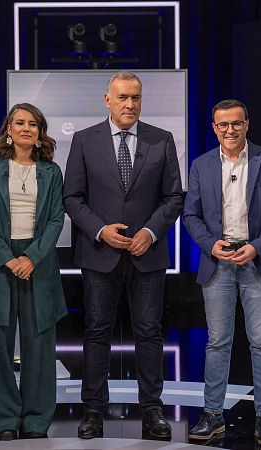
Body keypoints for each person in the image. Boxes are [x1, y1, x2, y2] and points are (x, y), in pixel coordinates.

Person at [63, 71, 184, 439]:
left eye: (136, 97)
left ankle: (152, 410)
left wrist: (150, 232)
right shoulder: (84, 140)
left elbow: (173, 198)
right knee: (97, 332)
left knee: (149, 332)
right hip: (100, 253)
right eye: (123, 97)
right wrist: (101, 230)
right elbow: (72, 198)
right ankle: (93, 411)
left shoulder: (161, 140)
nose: (130, 104)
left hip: (148, 254)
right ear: (107, 100)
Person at [182, 99, 261, 446]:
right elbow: (191, 215)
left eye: (236, 123)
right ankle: (213, 414)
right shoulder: (201, 165)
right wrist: (210, 244)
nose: (230, 130)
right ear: (214, 128)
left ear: (247, 124)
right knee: (217, 342)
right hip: (218, 261)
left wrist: (257, 246)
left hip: (257, 260)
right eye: (223, 125)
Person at [0, 103, 67, 441]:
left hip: (38, 263)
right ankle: (3, 420)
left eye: (33, 124)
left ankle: (36, 420)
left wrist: (31, 257)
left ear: (40, 133)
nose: (25, 128)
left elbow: (56, 219)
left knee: (40, 345)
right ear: (8, 129)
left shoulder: (51, 171)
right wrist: (8, 259)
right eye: (19, 122)